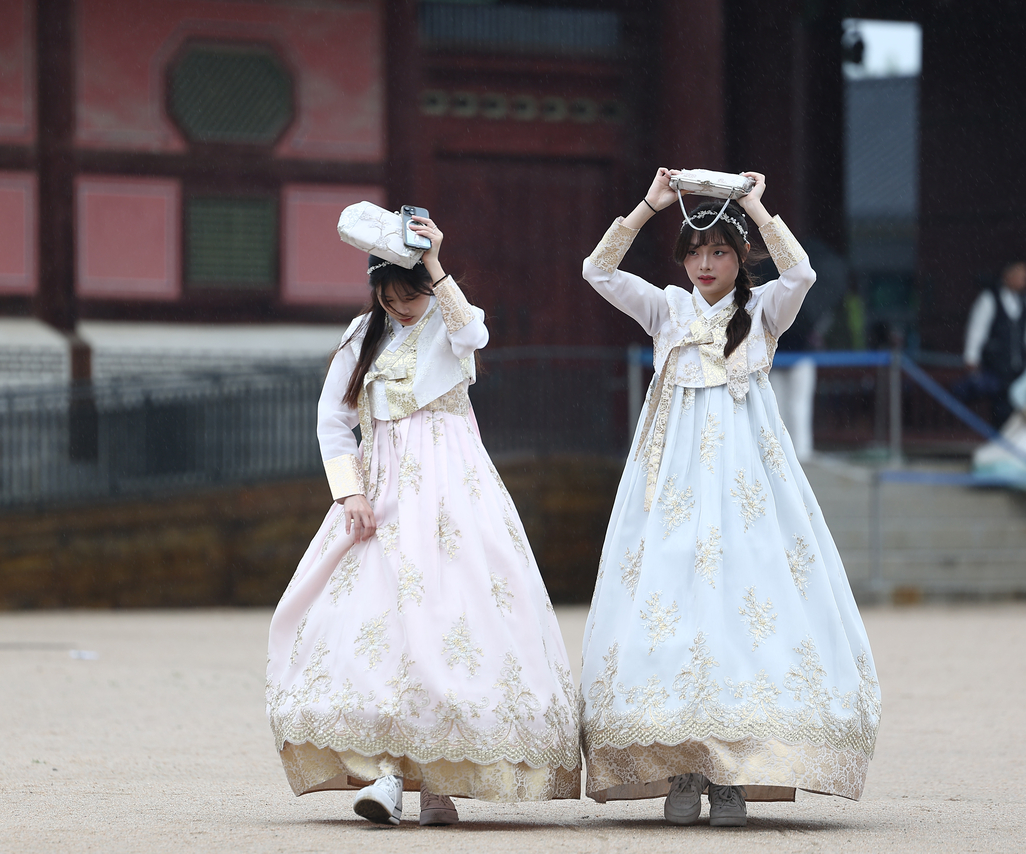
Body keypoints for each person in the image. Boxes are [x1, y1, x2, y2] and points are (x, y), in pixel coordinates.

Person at [576, 169, 881, 827]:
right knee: (672, 600)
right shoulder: (666, 306)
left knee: (747, 600)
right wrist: (648, 207)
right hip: (673, 476)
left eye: (718, 252)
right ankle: (683, 766)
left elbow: (801, 275)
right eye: (694, 252)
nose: (705, 264)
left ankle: (733, 774)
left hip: (746, 469)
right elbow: (598, 271)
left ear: (740, 258)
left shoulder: (764, 306)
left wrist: (757, 207)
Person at [266, 213, 581, 827]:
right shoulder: (364, 334)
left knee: (453, 614)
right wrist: (348, 493)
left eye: (407, 293)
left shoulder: (450, 320)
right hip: (381, 492)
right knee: (381, 616)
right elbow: (334, 420)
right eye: (388, 295)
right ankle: (387, 772)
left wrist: (436, 265)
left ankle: (440, 781)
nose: (400, 306)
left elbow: (476, 337)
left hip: (452, 489)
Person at [957, 261, 1026, 428]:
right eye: (1020, 276)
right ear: (1007, 276)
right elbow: (977, 329)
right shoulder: (989, 298)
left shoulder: (1022, 302)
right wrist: (971, 357)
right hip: (995, 363)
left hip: (1017, 365)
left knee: (1015, 405)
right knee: (1000, 406)